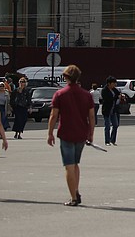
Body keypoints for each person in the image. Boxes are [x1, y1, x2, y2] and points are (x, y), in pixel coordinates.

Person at [47, 65, 95, 207]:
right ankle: (76, 190)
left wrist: (50, 133)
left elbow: (53, 115)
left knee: (68, 165)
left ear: (65, 77)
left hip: (66, 133)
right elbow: (91, 116)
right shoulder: (87, 95)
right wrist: (91, 133)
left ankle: (73, 197)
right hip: (81, 133)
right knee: (75, 164)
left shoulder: (60, 94)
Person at [101, 77, 122, 145]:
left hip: (113, 110)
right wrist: (116, 97)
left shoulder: (114, 89)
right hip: (107, 110)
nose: (114, 84)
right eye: (113, 83)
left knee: (115, 125)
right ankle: (107, 141)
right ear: (109, 83)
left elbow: (118, 93)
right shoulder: (104, 90)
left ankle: (112, 140)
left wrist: (121, 96)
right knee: (107, 126)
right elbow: (108, 99)